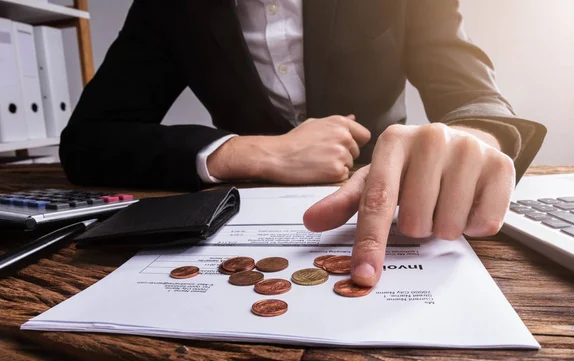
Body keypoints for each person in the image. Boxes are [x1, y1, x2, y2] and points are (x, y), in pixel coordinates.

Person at [60, 0, 546, 287]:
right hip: (241, 213)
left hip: (384, 203)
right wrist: (249, 151)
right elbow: (88, 139)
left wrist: (471, 138)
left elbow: (475, 97)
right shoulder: (167, 7)